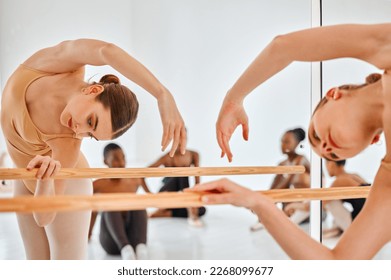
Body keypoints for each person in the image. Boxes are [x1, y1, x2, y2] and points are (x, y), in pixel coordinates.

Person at [191, 23, 391, 259]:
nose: (326, 148)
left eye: (316, 134)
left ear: (334, 94)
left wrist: (234, 99)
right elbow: (338, 265)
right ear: (373, 141)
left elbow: (284, 47)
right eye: (333, 156)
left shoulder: (385, 46)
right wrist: (259, 203)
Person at [0, 39, 186, 259]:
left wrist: (45, 180)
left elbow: (43, 216)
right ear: (93, 90)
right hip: (24, 175)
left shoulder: (67, 143)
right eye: (90, 122)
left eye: (90, 136)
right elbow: (107, 51)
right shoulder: (55, 65)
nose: (79, 133)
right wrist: (162, 94)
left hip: (63, 181)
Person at [89, 143, 150, 260]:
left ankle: (141, 247)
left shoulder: (134, 181)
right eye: (116, 159)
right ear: (106, 161)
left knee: (138, 202)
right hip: (110, 243)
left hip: (133, 239)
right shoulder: (98, 184)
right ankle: (125, 248)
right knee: (112, 203)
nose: (121, 163)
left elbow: (152, 197)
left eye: (123, 158)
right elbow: (92, 211)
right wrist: (88, 235)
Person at [250, 128, 311, 231]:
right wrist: (265, 199)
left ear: (297, 144)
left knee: (294, 180)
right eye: (282, 141)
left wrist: (267, 201)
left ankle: (272, 218)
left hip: (304, 210)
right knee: (277, 188)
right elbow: (274, 187)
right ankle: (268, 217)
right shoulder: (282, 164)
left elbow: (286, 183)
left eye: (287, 142)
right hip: (288, 210)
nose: (283, 145)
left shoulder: (301, 160)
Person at [147, 144, 206, 227]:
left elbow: (197, 178)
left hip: (181, 197)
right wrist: (149, 193)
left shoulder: (193, 154)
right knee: (181, 174)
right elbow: (143, 174)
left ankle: (162, 213)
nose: (179, 143)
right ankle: (192, 214)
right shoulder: (167, 157)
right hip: (167, 194)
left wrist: (195, 200)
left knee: (202, 210)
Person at [321, 159, 369, 238]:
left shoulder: (339, 181)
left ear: (332, 164)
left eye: (326, 163)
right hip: (371, 221)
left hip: (360, 225)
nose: (325, 168)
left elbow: (319, 203)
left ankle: (346, 229)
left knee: (329, 200)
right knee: (331, 198)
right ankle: (338, 228)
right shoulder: (354, 175)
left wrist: (294, 206)